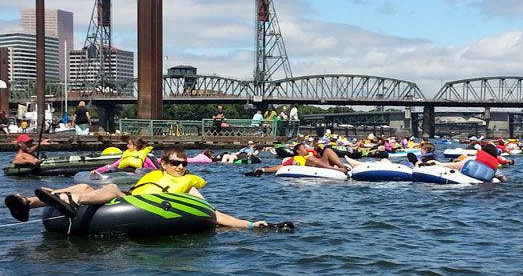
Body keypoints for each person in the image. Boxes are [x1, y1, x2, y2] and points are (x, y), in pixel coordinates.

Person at [4, 147, 269, 229]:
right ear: (163, 163)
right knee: (84, 183)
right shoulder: (151, 175)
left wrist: (247, 224)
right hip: (134, 200)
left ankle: (73, 203)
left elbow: (210, 213)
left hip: (141, 206)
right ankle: (29, 203)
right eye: (175, 163)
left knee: (116, 192)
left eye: (183, 163)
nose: (180, 167)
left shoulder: (188, 184)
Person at [247, 143, 349, 176]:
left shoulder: (312, 154)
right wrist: (264, 170)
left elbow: (321, 157)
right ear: (298, 151)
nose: (307, 148)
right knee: (309, 159)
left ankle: (342, 167)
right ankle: (339, 169)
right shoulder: (295, 158)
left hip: (323, 164)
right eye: (304, 148)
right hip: (315, 166)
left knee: (327, 150)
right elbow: (280, 167)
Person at [436, 144, 514, 182]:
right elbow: (503, 179)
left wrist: (439, 164)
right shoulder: (494, 168)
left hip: (464, 179)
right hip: (481, 183)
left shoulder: (473, 158)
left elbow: (456, 166)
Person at [91, 138, 157, 176]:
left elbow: (154, 168)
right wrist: (97, 170)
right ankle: (97, 172)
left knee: (138, 171)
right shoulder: (126, 155)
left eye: (129, 144)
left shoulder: (145, 157)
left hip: (136, 172)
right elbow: (113, 165)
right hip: (124, 172)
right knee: (109, 167)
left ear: (135, 146)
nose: (127, 146)